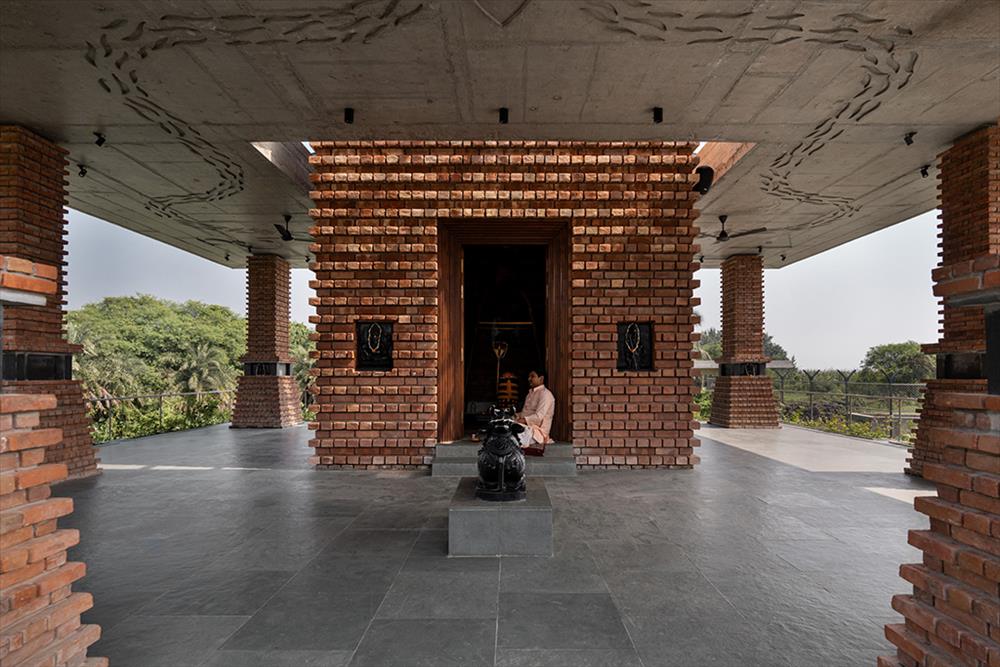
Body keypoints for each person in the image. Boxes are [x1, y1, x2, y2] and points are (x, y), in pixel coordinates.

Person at [515, 368, 555, 449]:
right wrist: (515, 416)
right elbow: (525, 413)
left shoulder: (545, 394)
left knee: (509, 434)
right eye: (529, 376)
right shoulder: (530, 394)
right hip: (525, 428)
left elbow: (539, 417)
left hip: (537, 433)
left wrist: (520, 421)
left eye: (532, 376)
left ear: (541, 378)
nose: (529, 379)